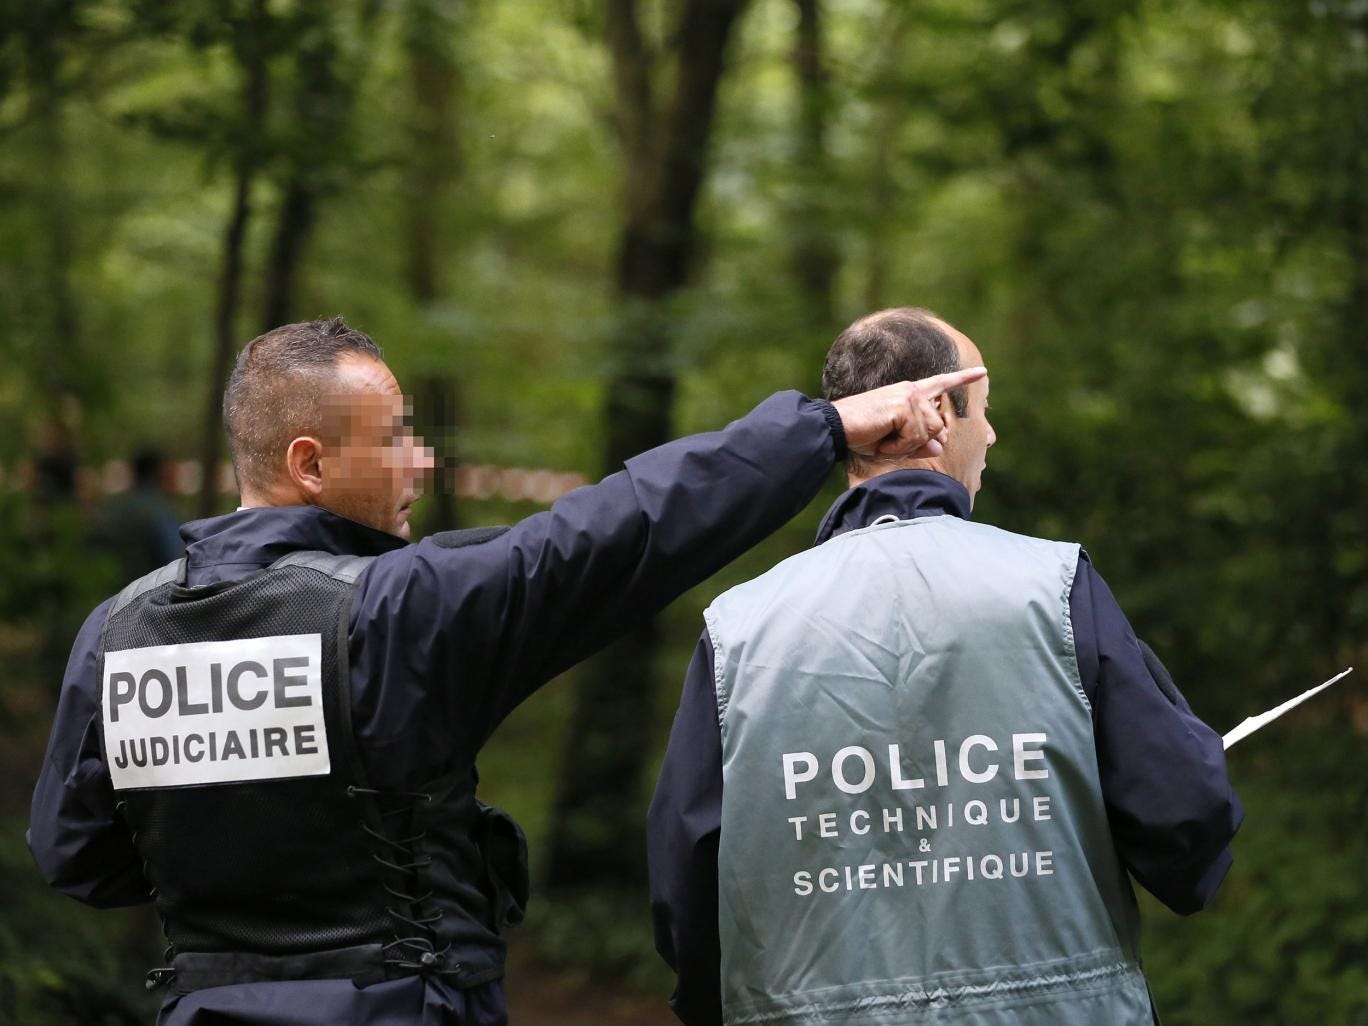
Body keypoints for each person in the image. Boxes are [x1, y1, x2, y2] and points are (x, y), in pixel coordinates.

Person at [27, 315, 984, 1026]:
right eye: (396, 435)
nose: (423, 461)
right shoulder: (401, 611)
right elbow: (617, 532)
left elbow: (80, 855)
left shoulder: (119, 632)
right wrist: (824, 431)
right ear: (310, 464)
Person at [647, 308, 1243, 1026]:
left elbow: (687, 891)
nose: (989, 434)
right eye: (982, 410)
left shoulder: (739, 628)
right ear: (936, 410)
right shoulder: (1053, 588)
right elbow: (1183, 823)